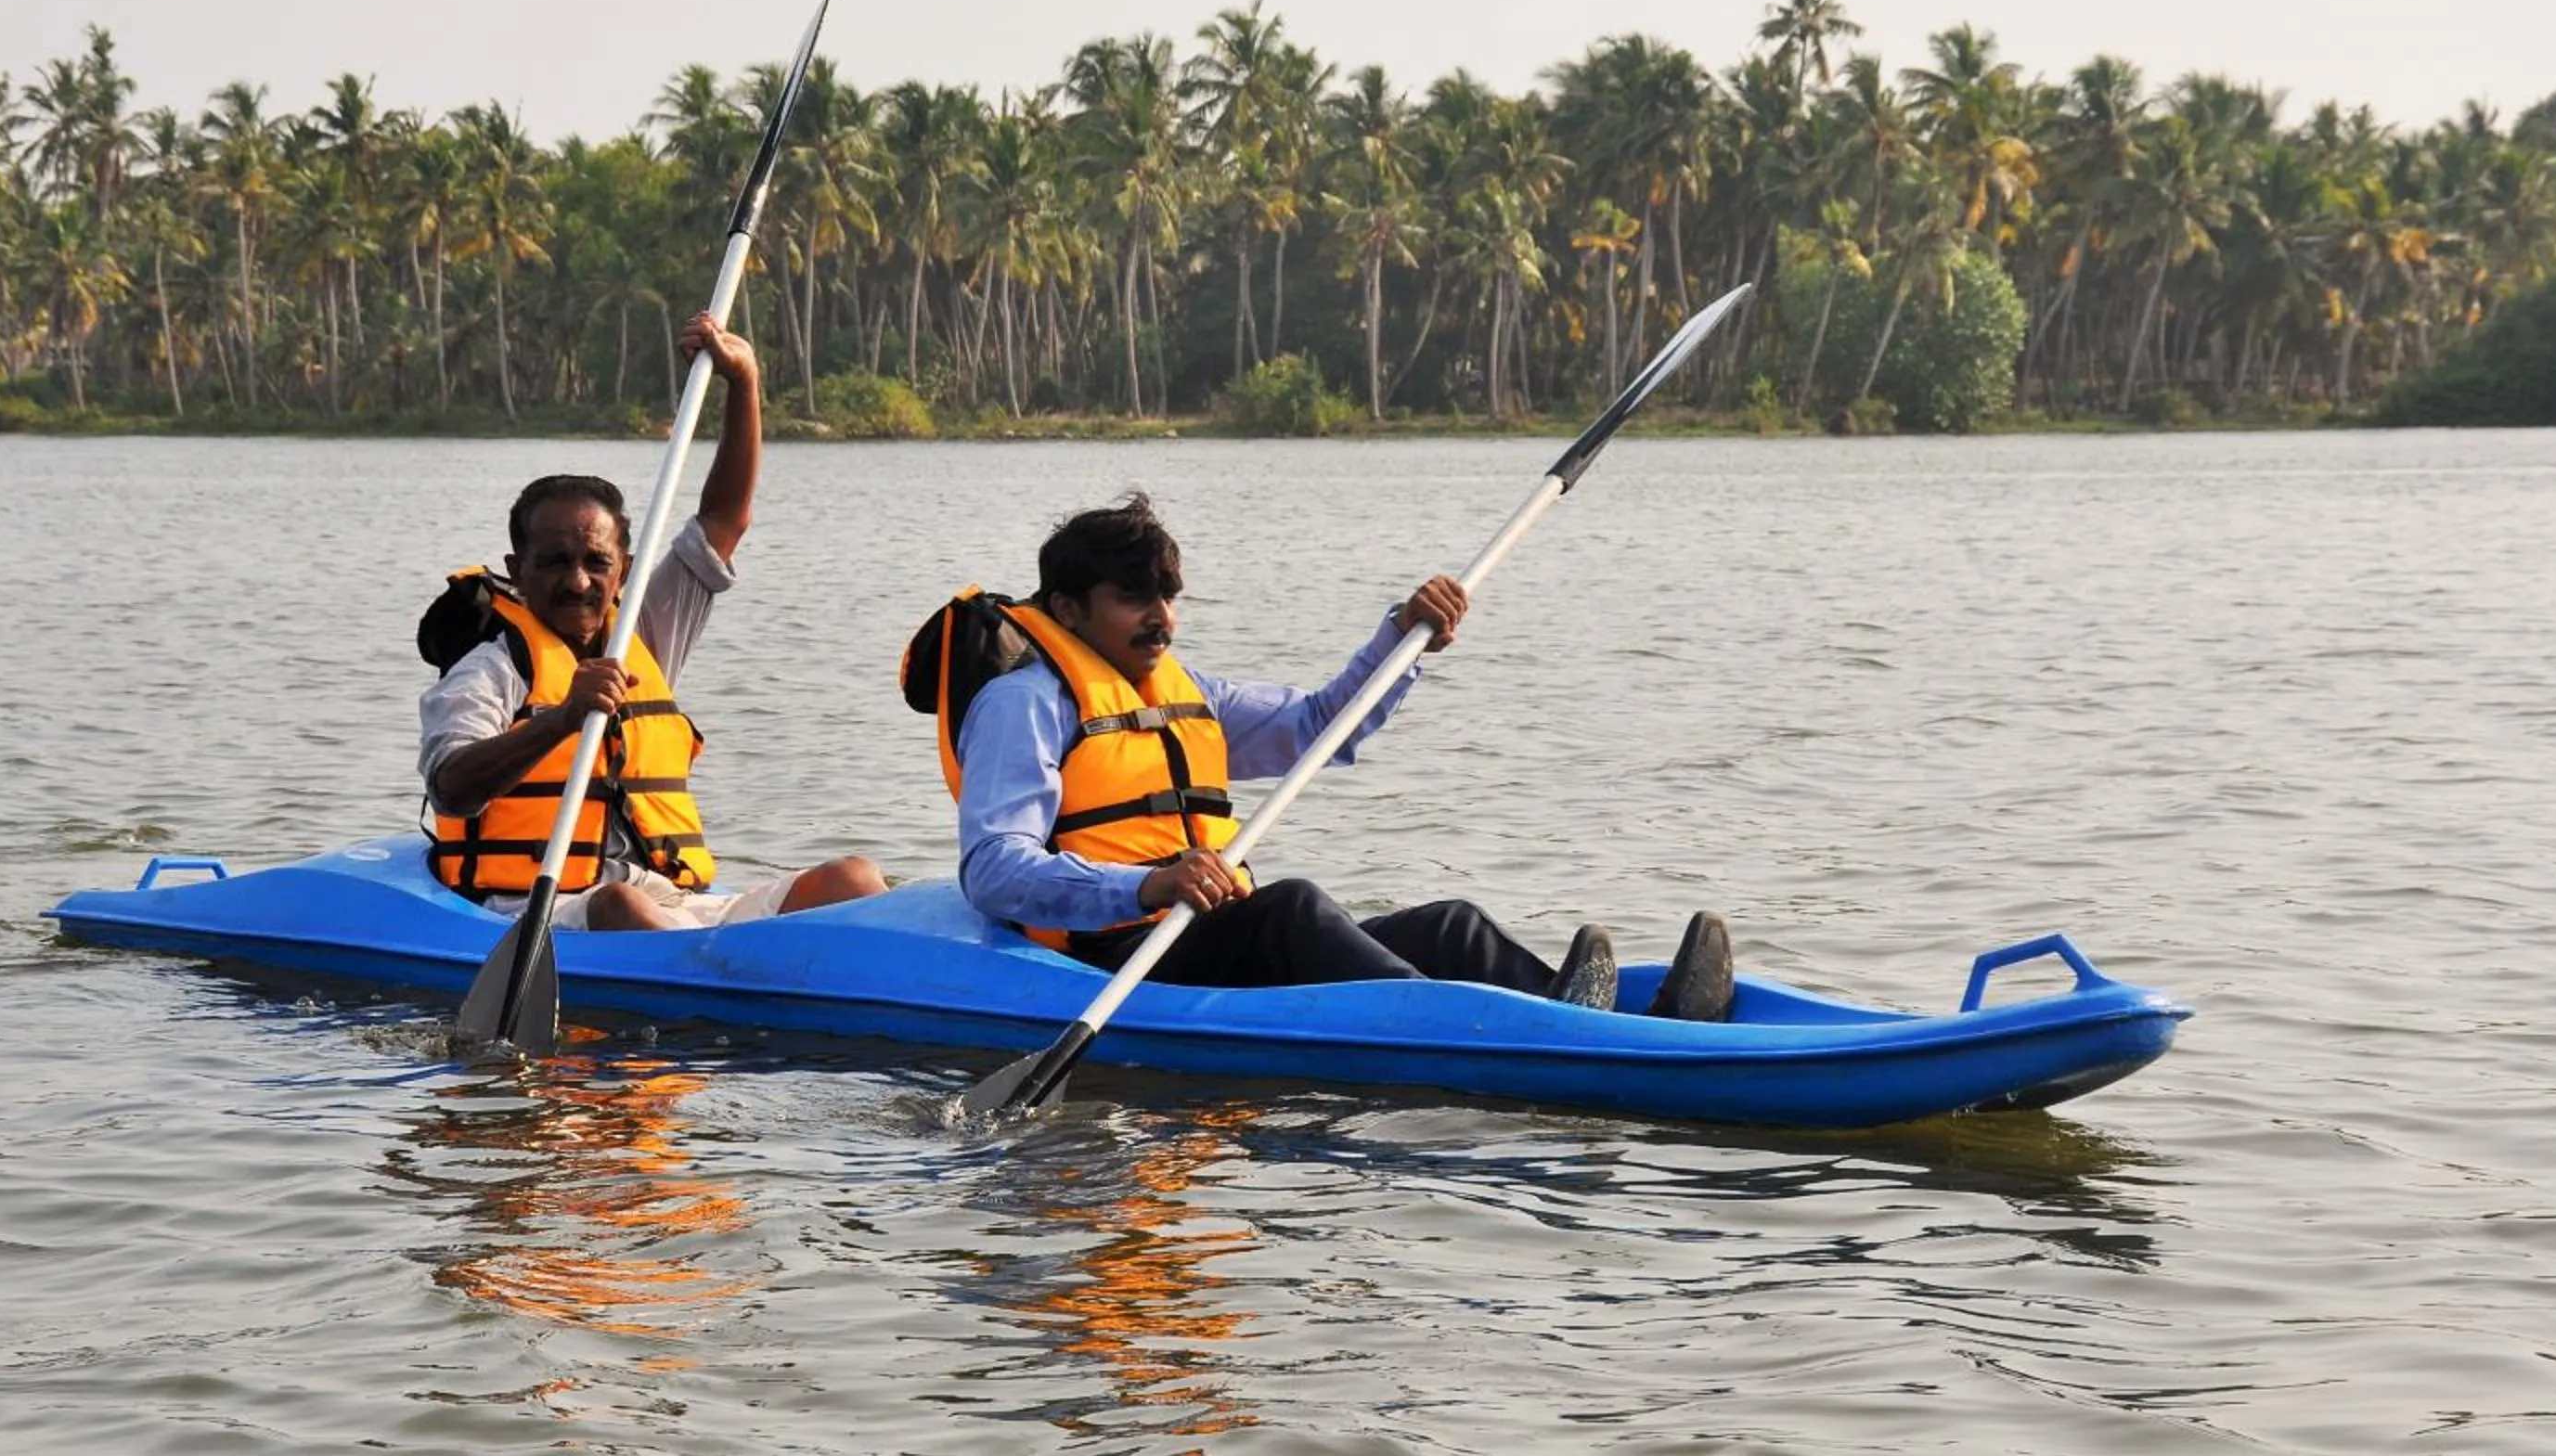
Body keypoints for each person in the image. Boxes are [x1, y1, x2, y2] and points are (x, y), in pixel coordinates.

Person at [946, 492, 1734, 1017]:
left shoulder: (1190, 695)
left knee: (1450, 927)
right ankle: (1500, 1035)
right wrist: (1147, 882)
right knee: (1290, 909)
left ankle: (1628, 1024)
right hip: (1117, 954)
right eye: (1135, 600)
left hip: (1201, 931)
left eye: (1169, 597)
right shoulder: (1022, 709)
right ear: (1068, 609)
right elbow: (994, 871)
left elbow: (1327, 725)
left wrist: (1403, 638)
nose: (1163, 619)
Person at [419, 312, 885, 932]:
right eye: (554, 562)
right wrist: (561, 719)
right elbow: (452, 786)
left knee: (853, 879)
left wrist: (743, 381)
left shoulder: (645, 630)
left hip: (670, 898)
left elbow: (724, 520)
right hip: (545, 907)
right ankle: (726, 995)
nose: (577, 580)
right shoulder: (491, 669)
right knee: (620, 907)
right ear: (517, 568)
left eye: (595, 562)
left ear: (624, 568)